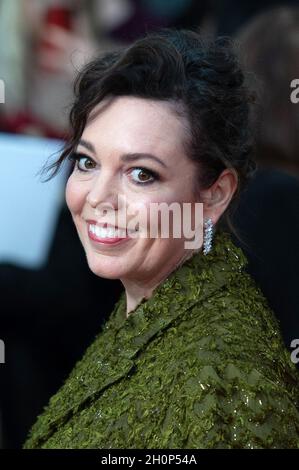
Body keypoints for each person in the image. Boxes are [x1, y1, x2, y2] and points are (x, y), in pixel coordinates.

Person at [23, 28, 299, 449]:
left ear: (215, 195)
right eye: (87, 161)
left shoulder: (225, 381)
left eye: (141, 174)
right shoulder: (152, 301)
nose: (98, 198)